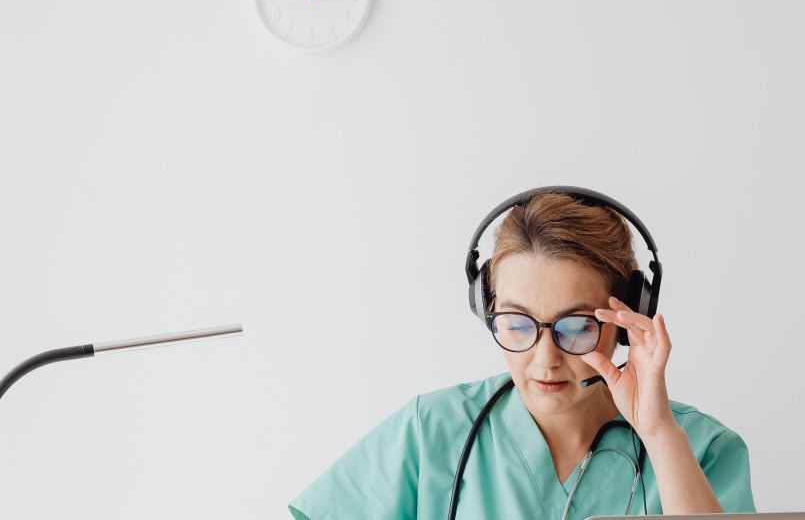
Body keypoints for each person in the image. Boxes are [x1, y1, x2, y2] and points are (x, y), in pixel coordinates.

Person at [288, 189, 755, 519]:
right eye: (516, 324)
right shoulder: (430, 431)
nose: (544, 358)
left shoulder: (703, 448)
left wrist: (657, 433)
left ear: (628, 318)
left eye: (575, 328)